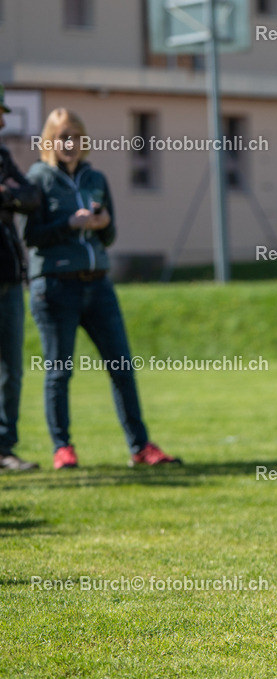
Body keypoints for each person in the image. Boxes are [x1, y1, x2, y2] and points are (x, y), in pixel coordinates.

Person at [24, 108, 178, 470]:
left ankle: (140, 447)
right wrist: (69, 223)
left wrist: (103, 222)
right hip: (56, 288)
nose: (70, 143)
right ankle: (62, 448)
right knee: (60, 370)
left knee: (122, 366)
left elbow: (109, 235)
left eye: (76, 136)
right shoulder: (39, 178)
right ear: (50, 140)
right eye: (63, 136)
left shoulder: (95, 178)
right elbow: (31, 236)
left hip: (98, 287)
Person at [0, 84, 41, 471]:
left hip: (9, 277)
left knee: (11, 369)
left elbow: (30, 196)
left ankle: (4, 447)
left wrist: (5, 195)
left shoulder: (3, 156)